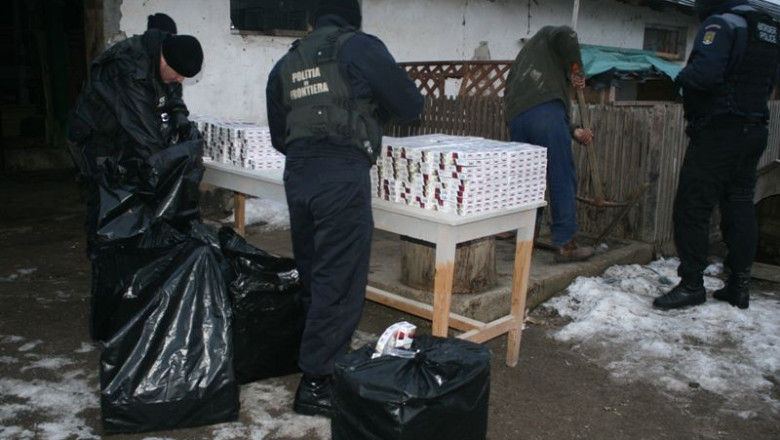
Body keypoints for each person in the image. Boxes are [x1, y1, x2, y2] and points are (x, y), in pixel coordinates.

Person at [265, 0, 423, 418]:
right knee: (341, 277)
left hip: (298, 173)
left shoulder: (288, 60)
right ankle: (317, 382)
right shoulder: (360, 47)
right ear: (352, 17)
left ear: (313, 18)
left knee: (315, 270)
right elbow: (411, 106)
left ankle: (316, 354)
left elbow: (279, 133)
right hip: (341, 171)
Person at [653, 0, 779, 311]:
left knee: (692, 205)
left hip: (720, 130)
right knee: (739, 202)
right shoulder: (766, 29)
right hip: (754, 130)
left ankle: (692, 283)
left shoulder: (722, 24)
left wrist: (681, 76)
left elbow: (705, 76)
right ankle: (738, 285)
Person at [67, 29, 203, 253]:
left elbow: (172, 97)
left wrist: (180, 119)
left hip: (123, 134)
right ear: (164, 60)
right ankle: (105, 263)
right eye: (179, 74)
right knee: (104, 200)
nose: (181, 80)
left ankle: (133, 254)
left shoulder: (166, 59)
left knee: (134, 194)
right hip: (95, 138)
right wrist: (172, 178)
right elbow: (145, 138)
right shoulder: (128, 70)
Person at [504, 25, 595, 263]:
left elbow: (538, 111)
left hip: (517, 119)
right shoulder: (550, 33)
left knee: (529, 182)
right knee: (561, 175)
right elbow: (568, 33)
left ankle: (525, 240)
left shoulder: (527, 59)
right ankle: (566, 243)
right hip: (544, 115)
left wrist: (573, 130)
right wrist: (576, 68)